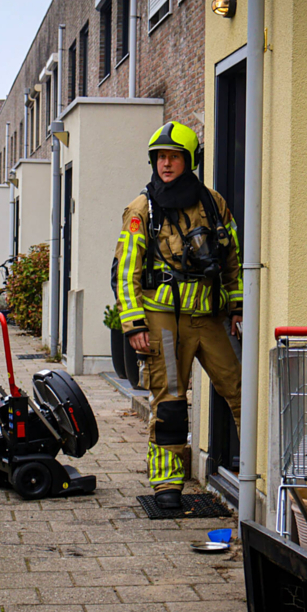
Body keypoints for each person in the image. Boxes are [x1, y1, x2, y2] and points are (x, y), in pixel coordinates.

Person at [113, 121, 243, 509]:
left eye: (173, 157)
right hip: (163, 318)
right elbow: (125, 271)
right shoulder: (142, 209)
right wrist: (134, 323)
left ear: (190, 161)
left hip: (209, 317)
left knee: (240, 391)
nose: (165, 164)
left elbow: (233, 258)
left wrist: (236, 307)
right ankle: (167, 487)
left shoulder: (213, 203)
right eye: (160, 157)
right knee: (169, 401)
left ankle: (256, 473)